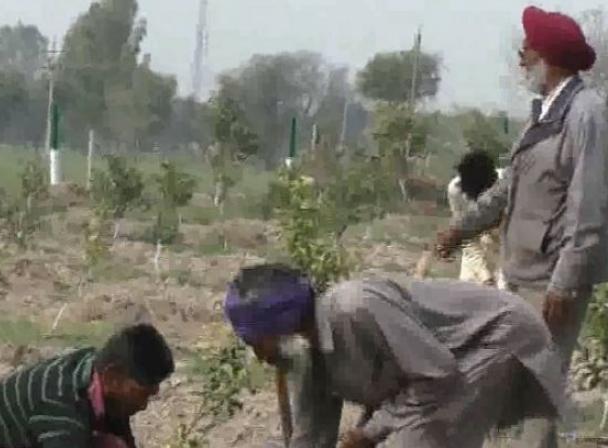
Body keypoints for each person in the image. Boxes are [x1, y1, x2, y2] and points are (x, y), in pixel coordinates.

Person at [436, 7, 608, 446]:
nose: (520, 57)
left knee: (538, 390)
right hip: (521, 273)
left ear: (548, 57)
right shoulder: (544, 114)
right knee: (516, 385)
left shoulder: (585, 114)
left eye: (527, 48)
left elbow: (589, 206)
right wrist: (462, 229)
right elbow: (507, 188)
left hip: (551, 280)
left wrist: (565, 282)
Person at [224, 264, 564, 448]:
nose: (260, 356)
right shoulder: (307, 356)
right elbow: (312, 434)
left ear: (285, 328)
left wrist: (369, 433)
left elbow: (436, 374)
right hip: (438, 370)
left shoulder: (355, 308)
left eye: (258, 343)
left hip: (495, 336)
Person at [0, 323, 174, 448]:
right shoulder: (61, 401)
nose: (144, 406)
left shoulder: (98, 378)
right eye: (143, 394)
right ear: (113, 378)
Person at [446, 150, 506, 288]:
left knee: (506, 297)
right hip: (477, 250)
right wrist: (485, 277)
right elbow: (467, 239)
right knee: (468, 293)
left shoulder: (511, 188)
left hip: (506, 249)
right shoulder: (456, 190)